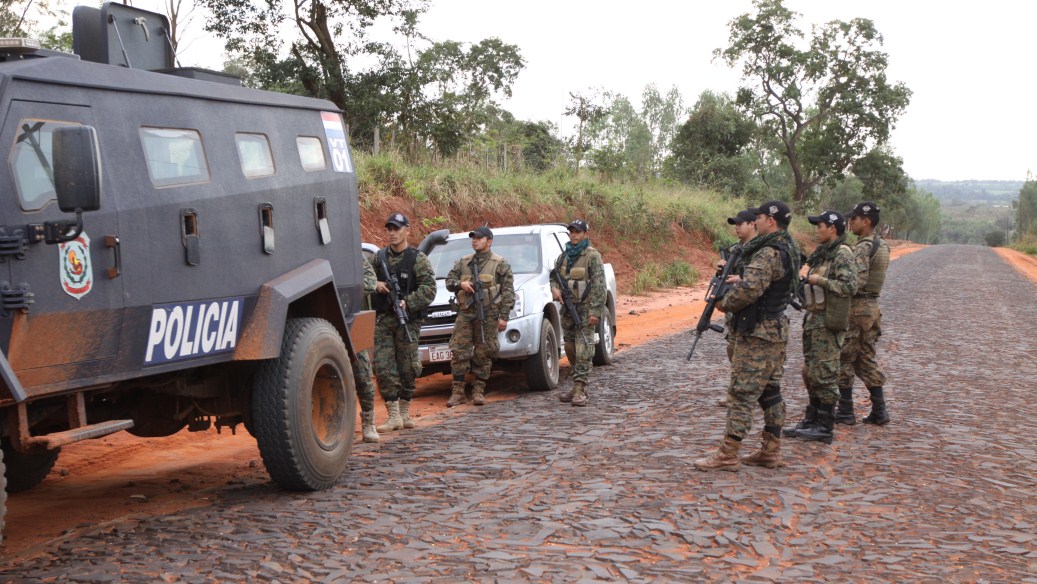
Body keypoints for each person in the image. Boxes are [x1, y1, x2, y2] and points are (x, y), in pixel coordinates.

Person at [695, 200, 801, 471]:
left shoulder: (767, 252)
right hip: (775, 329)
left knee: (741, 393)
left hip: (757, 334)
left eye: (761, 217)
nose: (757, 221)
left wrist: (723, 303)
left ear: (771, 221)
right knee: (770, 392)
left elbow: (750, 291)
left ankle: (728, 454)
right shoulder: (789, 247)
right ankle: (771, 451)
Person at [783, 210, 857, 444]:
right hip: (814, 319)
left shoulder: (842, 254)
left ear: (833, 228)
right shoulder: (823, 254)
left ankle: (825, 426)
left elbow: (849, 287)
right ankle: (812, 419)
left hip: (828, 321)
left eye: (820, 226)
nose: (817, 230)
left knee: (825, 373)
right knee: (812, 372)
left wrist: (819, 280)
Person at [371, 213, 436, 433]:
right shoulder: (379, 257)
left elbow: (429, 290)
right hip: (383, 320)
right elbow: (362, 276)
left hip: (408, 321)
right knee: (383, 366)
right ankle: (393, 415)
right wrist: (376, 283)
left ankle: (405, 411)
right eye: (389, 229)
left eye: (397, 228)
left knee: (408, 366)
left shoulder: (417, 259)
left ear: (407, 230)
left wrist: (407, 302)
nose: (392, 233)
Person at [444, 226, 516, 407]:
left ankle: (478, 390)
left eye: (479, 238)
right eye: (473, 238)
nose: (475, 240)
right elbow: (449, 282)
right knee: (459, 351)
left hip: (488, 314)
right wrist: (461, 284)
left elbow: (508, 293)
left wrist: (504, 317)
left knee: (484, 352)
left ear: (489, 241)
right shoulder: (464, 262)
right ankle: (458, 391)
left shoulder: (500, 263)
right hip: (466, 313)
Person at [837, 201, 891, 426]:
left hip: (858, 310)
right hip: (871, 309)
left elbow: (856, 282)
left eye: (855, 219)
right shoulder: (883, 245)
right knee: (865, 359)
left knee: (845, 358)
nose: (851, 222)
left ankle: (846, 411)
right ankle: (880, 410)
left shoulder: (863, 247)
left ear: (866, 221)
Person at [551, 219, 607, 407]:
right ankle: (577, 383)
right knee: (570, 348)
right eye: (571, 232)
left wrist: (596, 311)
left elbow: (600, 285)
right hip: (567, 309)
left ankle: (579, 389)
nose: (574, 235)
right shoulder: (564, 256)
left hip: (585, 309)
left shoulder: (592, 256)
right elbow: (554, 276)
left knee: (584, 349)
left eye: (577, 232)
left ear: (585, 234)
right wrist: (555, 289)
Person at [717, 209, 759, 408]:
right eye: (735, 224)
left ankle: (754, 392)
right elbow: (726, 277)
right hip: (735, 309)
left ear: (752, 224)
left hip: (755, 310)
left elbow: (763, 278)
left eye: (740, 224)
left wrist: (741, 279)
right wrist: (722, 270)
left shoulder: (760, 250)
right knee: (733, 348)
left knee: (753, 355)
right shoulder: (735, 250)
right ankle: (736, 393)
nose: (737, 228)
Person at [354, 253, 381, 443]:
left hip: (352, 320)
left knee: (363, 376)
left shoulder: (354, 255)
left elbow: (371, 282)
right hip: (319, 322)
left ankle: (368, 422)